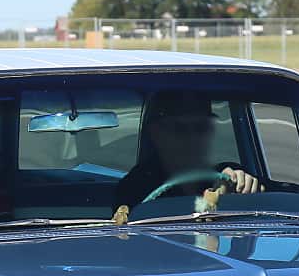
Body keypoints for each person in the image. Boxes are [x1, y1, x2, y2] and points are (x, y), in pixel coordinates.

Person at [112, 91, 262, 213]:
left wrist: (245, 186)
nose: (193, 138)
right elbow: (128, 236)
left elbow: (274, 208)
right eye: (179, 129)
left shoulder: (228, 176)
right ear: (157, 133)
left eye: (201, 128)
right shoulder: (136, 185)